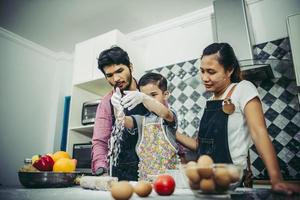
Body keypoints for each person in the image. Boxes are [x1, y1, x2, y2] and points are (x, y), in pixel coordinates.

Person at [176, 42, 300, 194]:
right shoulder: (210, 102)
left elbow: (259, 133)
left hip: (231, 181)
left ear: (229, 70)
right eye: (202, 71)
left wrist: (276, 179)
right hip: (206, 182)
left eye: (211, 72)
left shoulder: (243, 89)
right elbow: (199, 146)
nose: (204, 78)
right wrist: (171, 131)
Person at [91, 46, 147, 181]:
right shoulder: (106, 102)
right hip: (122, 173)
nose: (116, 78)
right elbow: (100, 141)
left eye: (120, 71)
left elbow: (167, 125)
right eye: (109, 75)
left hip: (153, 168)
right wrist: (101, 169)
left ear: (131, 67)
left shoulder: (150, 90)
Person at [111, 72, 180, 181]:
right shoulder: (141, 119)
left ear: (165, 95)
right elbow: (122, 120)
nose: (148, 99)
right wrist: (117, 107)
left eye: (153, 95)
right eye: (144, 96)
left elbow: (165, 113)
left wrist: (144, 98)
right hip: (145, 181)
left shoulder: (169, 115)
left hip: (169, 181)